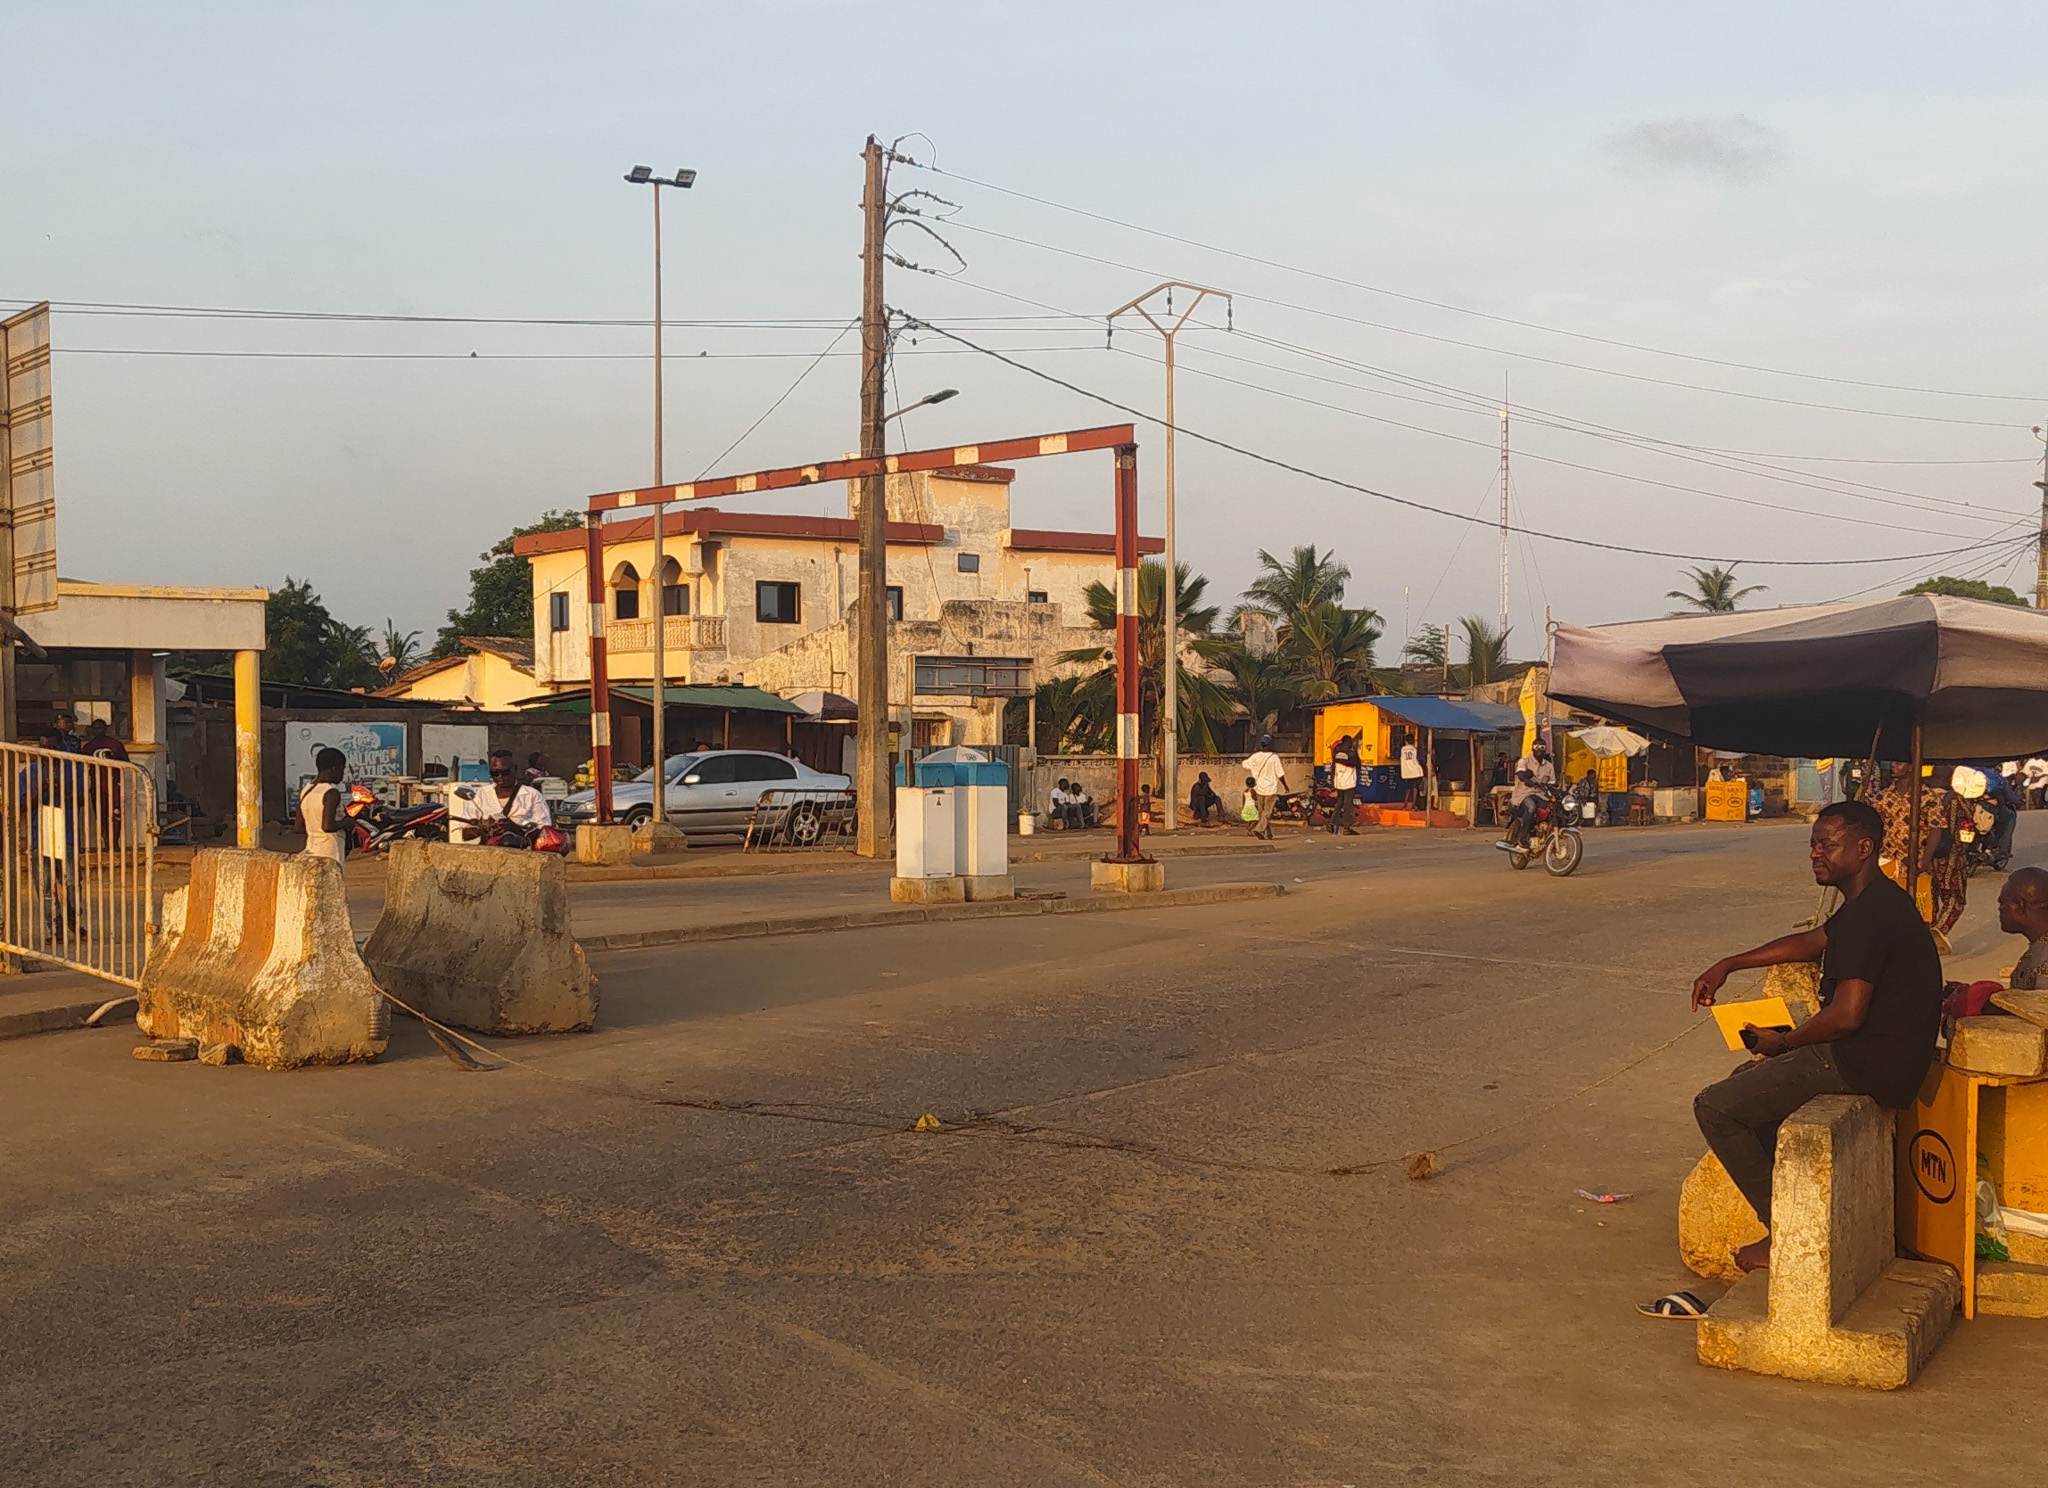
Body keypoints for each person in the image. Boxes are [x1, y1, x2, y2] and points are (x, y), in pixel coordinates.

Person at [1689, 800, 1942, 1273]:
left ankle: (1783, 1233)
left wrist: (1785, 1043)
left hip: (1866, 1062)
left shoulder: (1870, 916)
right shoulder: (1876, 901)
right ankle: (1797, 1210)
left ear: (1863, 848)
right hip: (1884, 1057)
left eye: (1827, 844)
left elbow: (1846, 1015)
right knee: (1747, 1080)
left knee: (1716, 1107)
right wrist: (1729, 964)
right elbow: (1812, 942)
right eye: (1812, 844)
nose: (1815, 853)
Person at [460, 750, 553, 837]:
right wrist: (486, 829)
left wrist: (517, 829)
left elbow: (546, 831)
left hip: (522, 848)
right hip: (489, 848)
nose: (500, 776)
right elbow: (465, 833)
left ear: (515, 769)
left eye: (505, 772)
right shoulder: (480, 795)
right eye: (495, 773)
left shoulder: (532, 795)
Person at [298, 746, 349, 871]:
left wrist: (314, 829)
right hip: (330, 852)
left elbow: (298, 827)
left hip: (311, 850)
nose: (342, 775)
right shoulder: (331, 792)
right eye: (342, 770)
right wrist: (346, 823)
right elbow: (327, 826)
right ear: (334, 769)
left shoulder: (306, 790)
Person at [1999, 867, 2048, 992]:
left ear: (2020, 907)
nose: (2000, 909)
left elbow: (2039, 1003)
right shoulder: (2039, 948)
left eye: (2003, 903)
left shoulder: (2043, 963)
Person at [1242, 734, 1287, 840]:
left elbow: (1244, 764)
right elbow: (1280, 774)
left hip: (1258, 789)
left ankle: (1268, 834)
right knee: (1267, 812)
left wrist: (1254, 756)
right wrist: (1285, 786)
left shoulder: (1255, 757)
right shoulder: (1274, 758)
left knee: (1262, 813)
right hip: (1270, 789)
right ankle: (1259, 829)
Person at [1498, 769, 1545, 850]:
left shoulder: (1548, 766)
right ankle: (1522, 836)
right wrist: (1529, 781)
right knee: (1531, 807)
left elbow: (1552, 780)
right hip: (1522, 796)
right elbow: (1520, 774)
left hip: (1540, 795)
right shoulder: (1523, 764)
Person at [1329, 732, 1361, 835]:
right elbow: (1358, 764)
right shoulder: (1351, 754)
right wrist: (1355, 750)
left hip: (1339, 782)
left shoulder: (1336, 753)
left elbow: (1333, 768)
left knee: (1339, 803)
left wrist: (1332, 783)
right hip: (1349, 783)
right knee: (1347, 805)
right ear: (1349, 742)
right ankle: (1346, 828)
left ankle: (1332, 822)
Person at [1397, 731, 1424, 807]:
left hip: (1407, 773)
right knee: (1415, 788)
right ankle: (1413, 805)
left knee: (1408, 788)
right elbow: (1420, 759)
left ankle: (1405, 804)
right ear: (1413, 741)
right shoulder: (1415, 749)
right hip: (1416, 772)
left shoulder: (1402, 749)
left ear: (1406, 741)